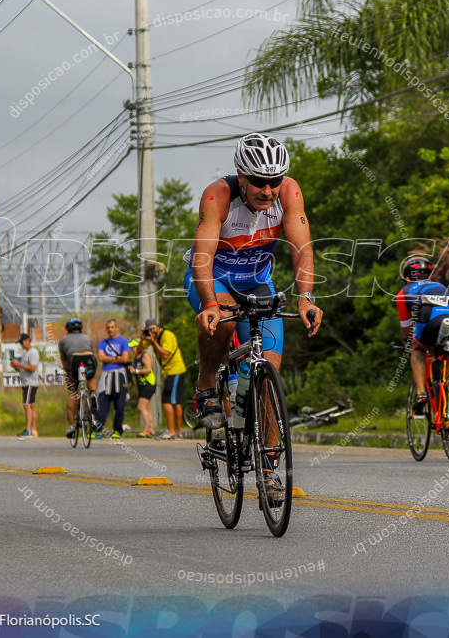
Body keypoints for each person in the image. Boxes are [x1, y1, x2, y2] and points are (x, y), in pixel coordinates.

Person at [185, 132, 323, 503]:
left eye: (274, 181)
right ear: (240, 175)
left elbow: (302, 248)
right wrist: (211, 304)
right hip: (212, 278)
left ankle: (269, 469)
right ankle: (205, 385)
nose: (268, 190)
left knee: (269, 370)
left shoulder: (289, 193)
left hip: (258, 281)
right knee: (225, 321)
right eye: (259, 181)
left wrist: (306, 298)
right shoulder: (219, 196)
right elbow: (202, 258)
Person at [394, 256, 449, 415]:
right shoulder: (439, 285)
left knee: (416, 349)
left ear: (407, 278)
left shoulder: (403, 293)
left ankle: (421, 394)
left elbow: (406, 327)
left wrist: (407, 342)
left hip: (431, 318)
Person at [142, 318, 186, 439]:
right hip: (169, 372)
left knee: (171, 401)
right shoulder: (152, 338)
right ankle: (176, 432)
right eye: (149, 329)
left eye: (153, 328)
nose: (152, 331)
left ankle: (174, 431)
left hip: (176, 370)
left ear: (158, 326)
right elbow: (140, 349)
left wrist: (153, 342)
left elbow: (165, 354)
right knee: (171, 401)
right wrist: (142, 337)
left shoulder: (167, 335)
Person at [59, 318, 96, 439]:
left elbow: (64, 363)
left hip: (74, 361)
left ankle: (71, 426)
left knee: (72, 392)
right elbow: (90, 350)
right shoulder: (88, 338)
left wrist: (68, 374)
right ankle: (93, 394)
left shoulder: (63, 341)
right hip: (90, 359)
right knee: (90, 377)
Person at [94, 319, 130, 438]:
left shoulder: (123, 341)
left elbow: (125, 359)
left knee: (119, 405)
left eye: (112, 327)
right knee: (102, 403)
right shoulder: (102, 343)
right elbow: (100, 357)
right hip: (106, 375)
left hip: (119, 375)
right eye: (108, 327)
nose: (110, 329)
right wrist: (116, 358)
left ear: (117, 328)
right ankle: (98, 430)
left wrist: (108, 357)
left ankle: (117, 430)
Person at [11, 333, 41, 439]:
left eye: (22, 342)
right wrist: (16, 366)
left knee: (26, 405)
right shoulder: (27, 353)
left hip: (30, 383)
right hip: (26, 382)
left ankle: (28, 429)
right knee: (31, 405)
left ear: (27, 341)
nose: (21, 345)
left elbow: (32, 368)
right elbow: (24, 369)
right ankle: (33, 430)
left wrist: (19, 364)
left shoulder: (33, 352)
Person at [126, 337, 156, 437]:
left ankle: (146, 430)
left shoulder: (145, 355)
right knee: (146, 408)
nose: (132, 349)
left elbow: (148, 369)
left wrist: (136, 371)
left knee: (141, 406)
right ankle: (151, 430)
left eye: (133, 347)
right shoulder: (136, 357)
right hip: (142, 385)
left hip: (148, 383)